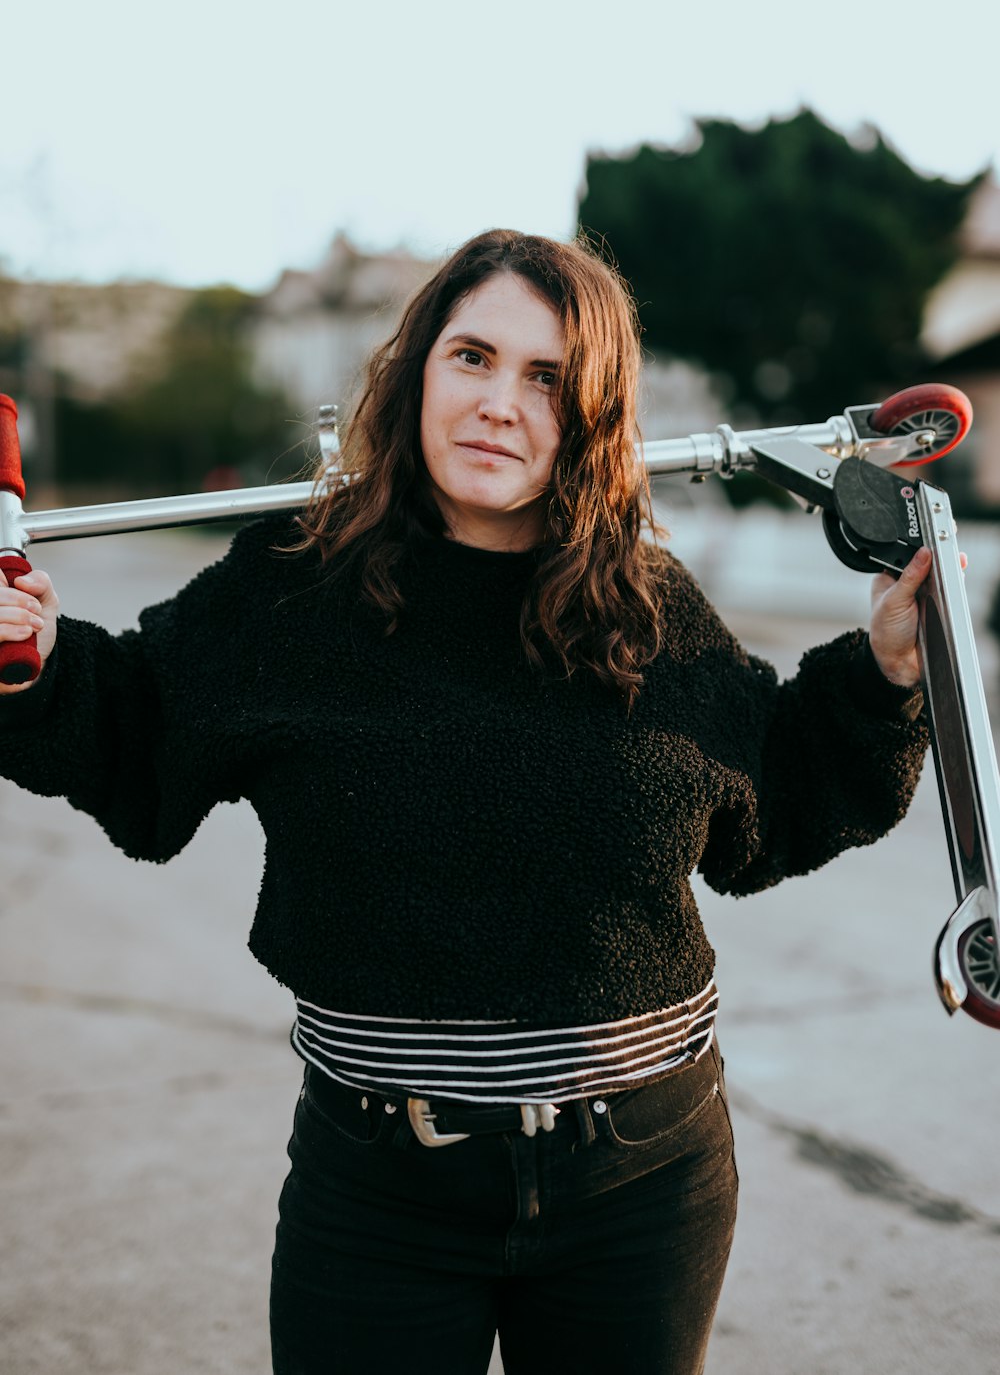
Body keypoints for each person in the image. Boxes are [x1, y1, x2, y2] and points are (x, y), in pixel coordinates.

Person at [0, 229, 930, 1375]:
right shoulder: (296, 589)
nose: (500, 403)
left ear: (590, 412)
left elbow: (773, 805)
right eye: (473, 357)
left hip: (641, 1182)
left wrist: (882, 670)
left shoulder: (642, 602)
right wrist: (34, 656)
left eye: (546, 377)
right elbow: (133, 735)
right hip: (380, 1187)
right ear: (417, 373)